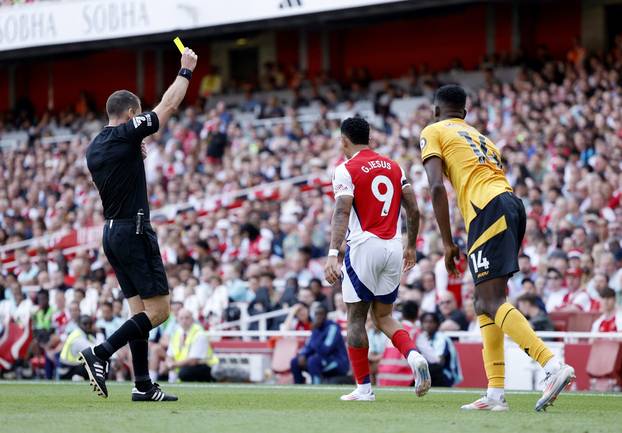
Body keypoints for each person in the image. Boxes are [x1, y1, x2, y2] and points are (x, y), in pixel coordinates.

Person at [420, 84, 573, 412]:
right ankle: (494, 394)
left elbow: (435, 187)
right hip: (511, 205)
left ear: (436, 111)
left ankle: (552, 365)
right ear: (465, 111)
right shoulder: (482, 139)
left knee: (490, 300)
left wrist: (448, 243)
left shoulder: (433, 131)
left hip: (486, 210)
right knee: (483, 302)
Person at [80, 46, 198, 402]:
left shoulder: (95, 146)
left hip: (111, 232)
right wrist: (186, 70)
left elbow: (119, 167)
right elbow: (168, 107)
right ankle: (99, 353)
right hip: (134, 228)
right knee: (159, 312)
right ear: (131, 113)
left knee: (138, 313)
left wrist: (136, 148)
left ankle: (143, 384)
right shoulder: (126, 134)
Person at [324, 117, 431, 401]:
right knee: (384, 316)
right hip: (394, 246)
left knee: (356, 319)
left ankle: (364, 389)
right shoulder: (394, 166)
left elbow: (342, 212)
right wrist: (411, 246)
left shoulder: (345, 169)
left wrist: (333, 254)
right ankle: (415, 356)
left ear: (344, 140)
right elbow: (414, 210)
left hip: (364, 246)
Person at [290, 305, 349, 385]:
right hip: (323, 360)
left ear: (326, 315)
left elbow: (325, 349)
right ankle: (299, 386)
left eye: (321, 314)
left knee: (313, 361)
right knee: (295, 361)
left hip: (338, 363)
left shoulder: (333, 328)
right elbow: (309, 346)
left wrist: (315, 332)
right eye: (316, 314)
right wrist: (303, 354)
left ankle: (316, 386)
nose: (318, 317)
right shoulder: (316, 328)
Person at [165, 309, 218, 382]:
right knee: (164, 370)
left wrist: (173, 364)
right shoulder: (176, 333)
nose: (184, 321)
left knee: (185, 373)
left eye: (187, 318)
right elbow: (169, 355)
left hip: (204, 365)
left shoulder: (199, 333)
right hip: (182, 365)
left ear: (192, 319)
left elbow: (194, 361)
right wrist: (169, 363)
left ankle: (210, 380)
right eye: (181, 318)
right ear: (177, 319)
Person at [416, 312, 462, 387]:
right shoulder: (422, 337)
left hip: (447, 374)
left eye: (431, 322)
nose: (428, 325)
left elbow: (440, 362)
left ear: (437, 324)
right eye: (425, 322)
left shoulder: (441, 338)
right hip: (431, 372)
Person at [59, 315, 96, 380]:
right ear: (79, 324)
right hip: (67, 370)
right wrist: (100, 333)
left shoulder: (87, 336)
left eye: (90, 323)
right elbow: (95, 351)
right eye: (85, 323)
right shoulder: (78, 337)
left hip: (72, 366)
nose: (88, 326)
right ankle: (77, 377)